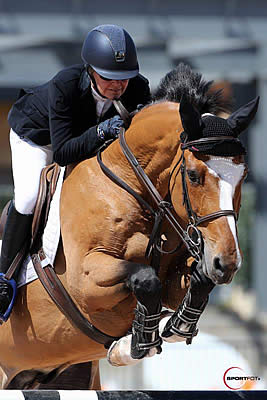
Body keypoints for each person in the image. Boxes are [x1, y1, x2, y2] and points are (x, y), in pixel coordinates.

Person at [0, 24, 151, 322]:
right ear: (90, 70)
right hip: (37, 138)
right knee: (30, 196)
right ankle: (4, 278)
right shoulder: (65, 84)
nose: (117, 86)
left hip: (84, 140)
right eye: (108, 77)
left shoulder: (138, 87)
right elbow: (65, 152)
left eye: (124, 78)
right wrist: (102, 131)